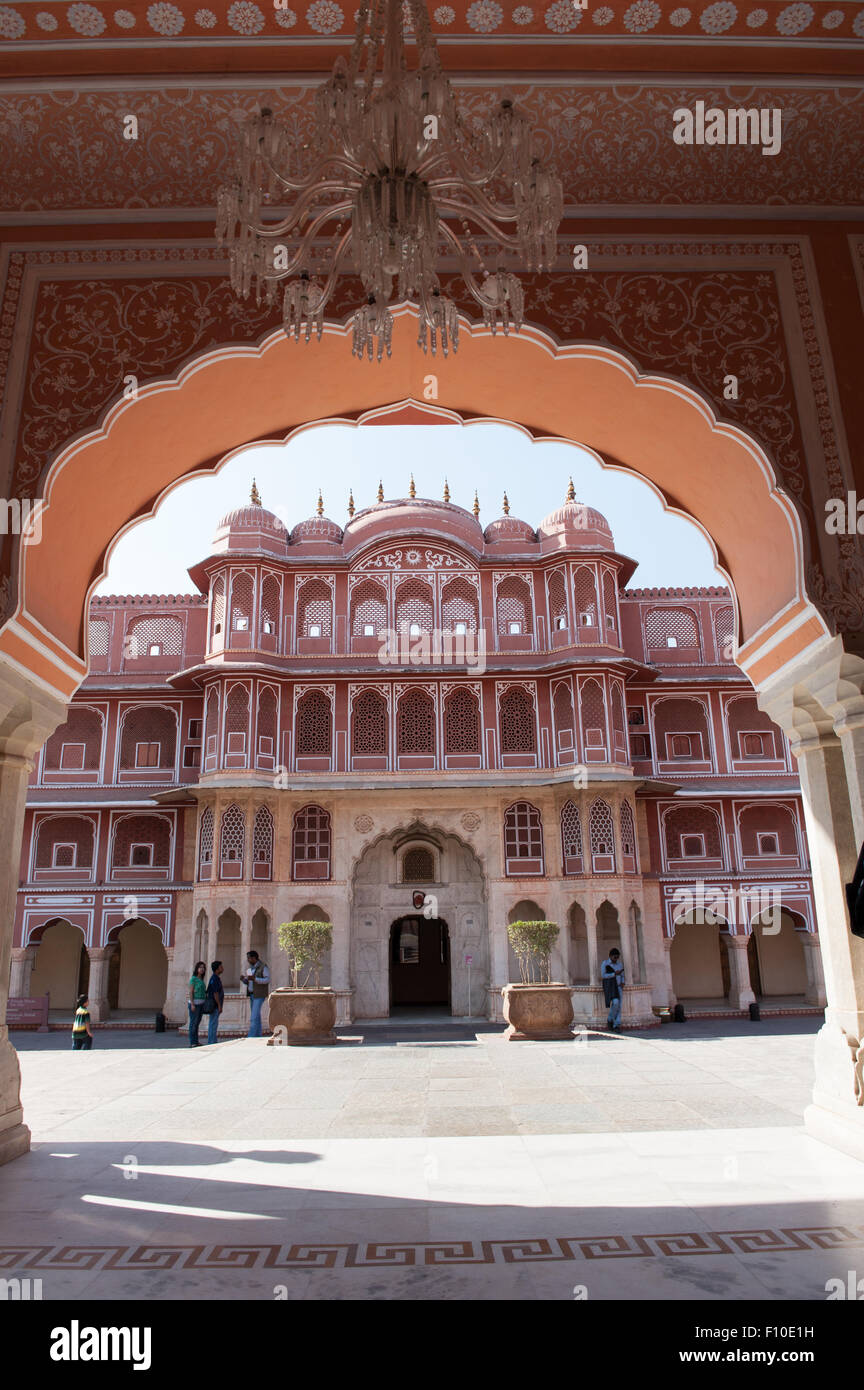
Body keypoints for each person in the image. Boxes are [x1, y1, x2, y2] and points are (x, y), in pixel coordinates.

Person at [240, 950, 270, 1038]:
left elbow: (267, 980)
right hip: (252, 994)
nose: (248, 960)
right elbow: (250, 981)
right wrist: (244, 980)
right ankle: (257, 1035)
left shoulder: (263, 967)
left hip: (259, 995)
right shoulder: (250, 968)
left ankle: (251, 1036)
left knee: (253, 1017)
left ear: (254, 958)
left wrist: (255, 979)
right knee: (256, 1017)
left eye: (249, 958)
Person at [601, 948, 624, 1032]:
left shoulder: (619, 964)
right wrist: (614, 974)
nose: (616, 959)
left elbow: (622, 975)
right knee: (615, 1003)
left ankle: (616, 1024)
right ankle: (610, 1019)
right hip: (610, 986)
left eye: (617, 958)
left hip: (618, 986)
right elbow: (603, 975)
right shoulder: (605, 963)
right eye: (614, 957)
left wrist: (623, 982)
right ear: (610, 956)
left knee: (618, 1005)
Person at [188, 960, 207, 1047]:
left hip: (201, 1004)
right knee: (193, 1023)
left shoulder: (201, 979)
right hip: (195, 1004)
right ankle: (192, 1042)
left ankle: (196, 1041)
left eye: (203, 968)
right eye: (200, 967)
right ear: (197, 969)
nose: (202, 969)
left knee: (197, 1023)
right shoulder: (193, 979)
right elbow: (191, 992)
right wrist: (192, 1004)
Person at [206, 960, 224, 1045]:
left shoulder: (215, 978)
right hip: (214, 1005)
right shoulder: (215, 978)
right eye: (221, 967)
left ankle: (212, 1040)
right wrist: (219, 1005)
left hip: (214, 1005)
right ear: (217, 969)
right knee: (213, 1023)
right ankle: (212, 1042)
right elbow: (215, 993)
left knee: (213, 1023)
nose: (222, 968)